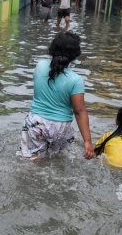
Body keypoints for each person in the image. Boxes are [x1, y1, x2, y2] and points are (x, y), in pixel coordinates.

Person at [18, 32, 95, 160]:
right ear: (75, 56)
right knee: (58, 160)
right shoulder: (76, 80)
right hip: (61, 127)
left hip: (37, 124)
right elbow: (79, 111)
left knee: (31, 161)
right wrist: (87, 141)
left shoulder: (40, 66)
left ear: (52, 49)